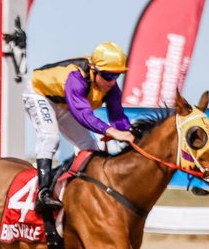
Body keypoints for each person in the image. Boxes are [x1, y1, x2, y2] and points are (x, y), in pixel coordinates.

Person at [25, 41, 136, 213]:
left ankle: (88, 192)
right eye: (107, 75)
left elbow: (117, 116)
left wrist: (130, 134)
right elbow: (82, 114)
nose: (112, 82)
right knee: (50, 138)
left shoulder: (111, 87)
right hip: (40, 95)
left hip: (64, 104)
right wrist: (110, 131)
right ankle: (43, 193)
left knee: (90, 146)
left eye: (117, 75)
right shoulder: (76, 77)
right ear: (94, 70)